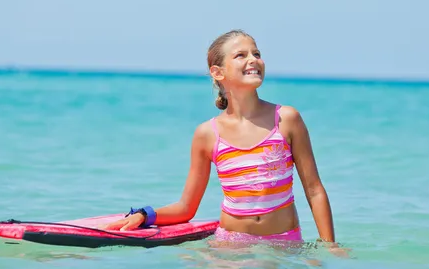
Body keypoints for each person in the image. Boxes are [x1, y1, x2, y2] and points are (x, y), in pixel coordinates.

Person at [101, 30, 343, 253]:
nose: (253, 59)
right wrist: (145, 215)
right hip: (230, 245)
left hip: (284, 243)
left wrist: (330, 246)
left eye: (257, 53)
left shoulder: (287, 120)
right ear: (218, 72)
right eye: (241, 55)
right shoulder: (207, 134)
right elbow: (186, 207)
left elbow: (314, 190)